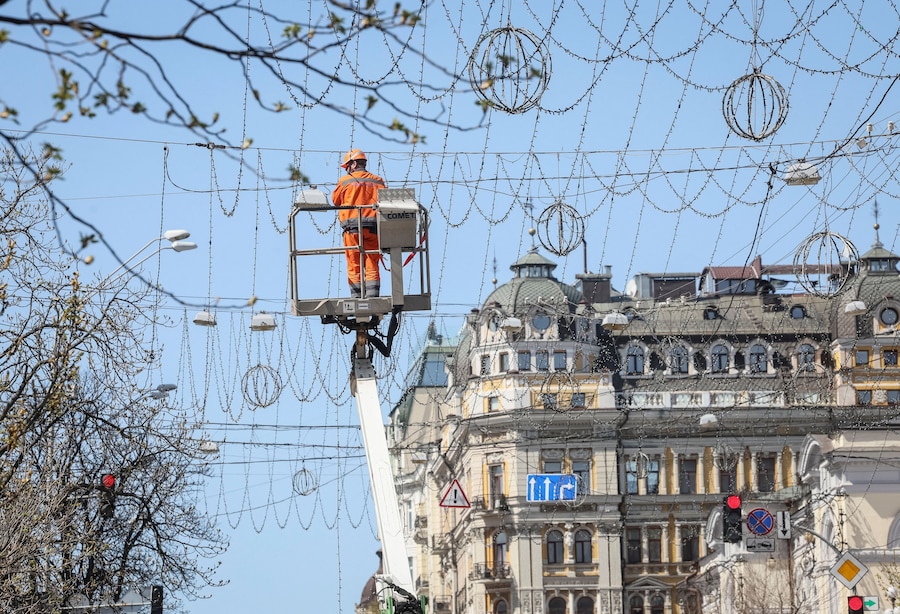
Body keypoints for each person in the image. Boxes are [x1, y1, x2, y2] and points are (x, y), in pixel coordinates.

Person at [332, 149, 386, 298]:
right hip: (374, 229)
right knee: (372, 262)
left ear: (354, 164)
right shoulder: (378, 181)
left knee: (354, 263)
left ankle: (356, 298)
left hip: (352, 230)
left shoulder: (345, 181)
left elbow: (335, 201)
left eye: (347, 167)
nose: (347, 170)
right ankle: (373, 297)